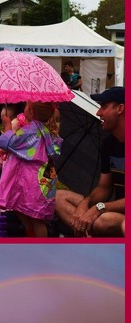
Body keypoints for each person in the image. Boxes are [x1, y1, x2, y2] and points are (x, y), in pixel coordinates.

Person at [53, 86, 125, 236]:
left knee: (102, 220)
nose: (98, 113)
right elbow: (104, 187)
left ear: (120, 109)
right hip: (111, 209)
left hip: (118, 214)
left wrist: (100, 207)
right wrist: (86, 203)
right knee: (57, 197)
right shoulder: (109, 144)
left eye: (104, 107)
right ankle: (85, 231)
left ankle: (89, 234)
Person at [0, 102, 63, 237]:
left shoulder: (32, 131)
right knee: (22, 211)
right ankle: (30, 237)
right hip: (38, 180)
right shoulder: (45, 131)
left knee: (35, 219)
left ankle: (41, 249)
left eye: (26, 106)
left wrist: (8, 125)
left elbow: (10, 143)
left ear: (31, 112)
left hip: (32, 182)